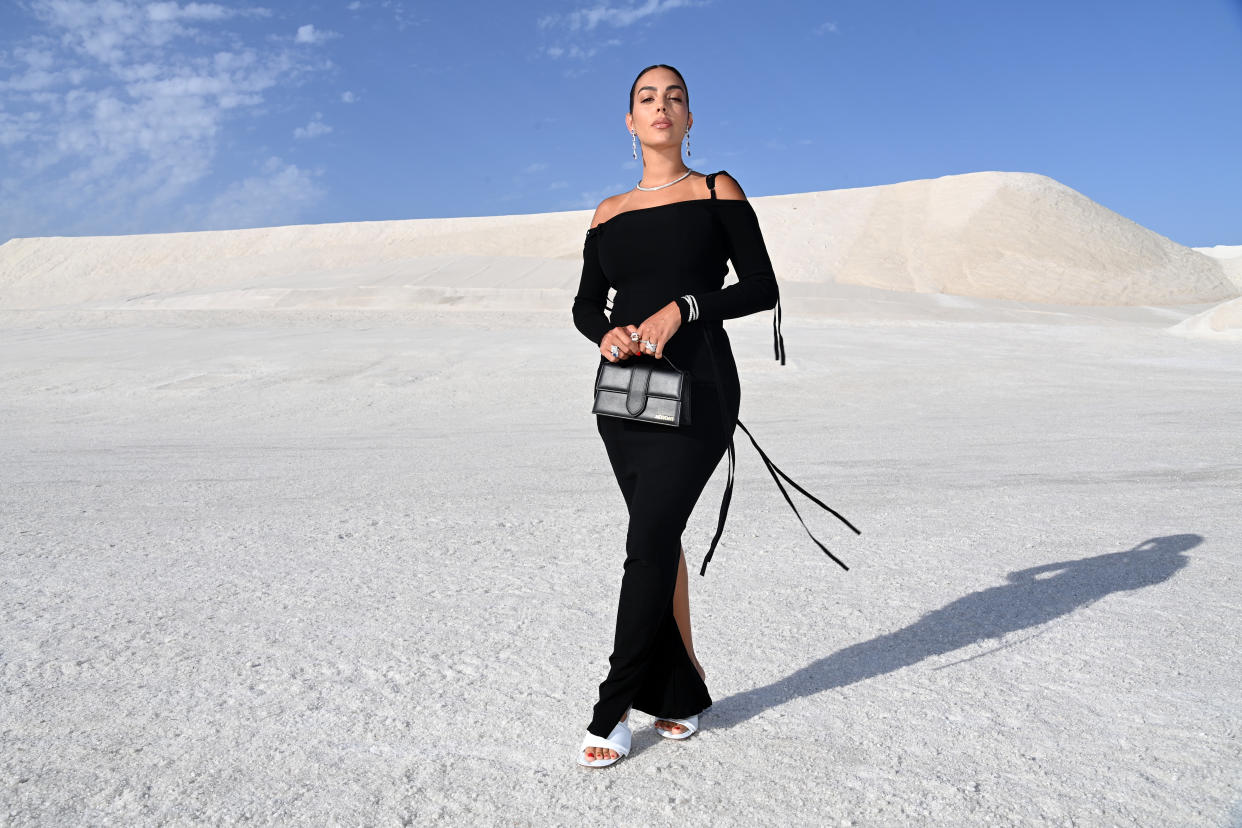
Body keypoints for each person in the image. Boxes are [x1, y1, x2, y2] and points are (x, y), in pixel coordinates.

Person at [571, 64, 784, 768]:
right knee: (656, 540)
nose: (661, 107)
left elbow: (761, 286)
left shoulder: (717, 190)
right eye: (646, 98)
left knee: (648, 544)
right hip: (624, 398)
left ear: (691, 118)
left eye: (675, 97)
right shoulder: (606, 212)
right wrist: (602, 333)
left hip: (699, 389)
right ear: (628, 122)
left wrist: (686, 306)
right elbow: (584, 306)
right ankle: (681, 693)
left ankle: (612, 709)